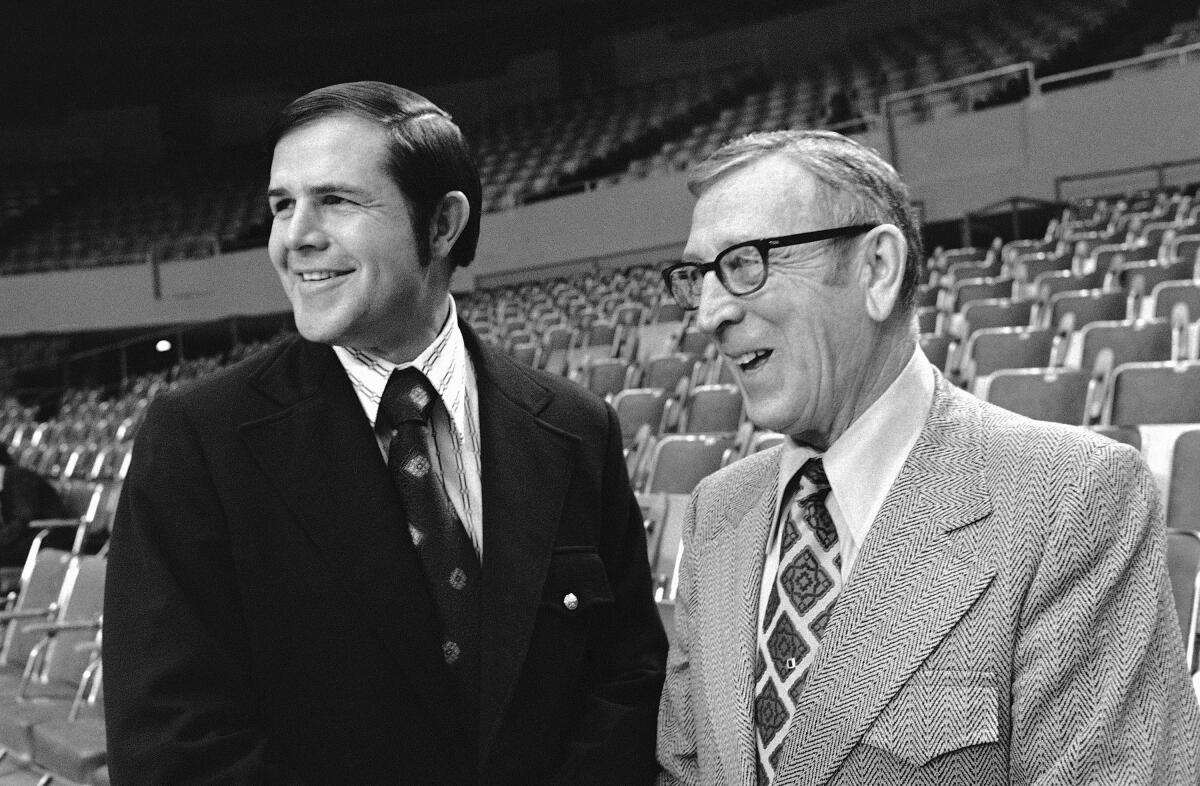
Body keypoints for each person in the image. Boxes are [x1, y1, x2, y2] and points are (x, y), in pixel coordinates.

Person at [105, 81, 667, 785]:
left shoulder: (577, 427)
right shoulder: (197, 441)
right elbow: (174, 744)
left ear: (441, 225)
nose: (294, 237)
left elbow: (624, 681)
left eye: (336, 200)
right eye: (283, 205)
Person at [655, 129, 1200, 784]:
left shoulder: (1073, 497)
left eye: (744, 264)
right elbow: (681, 770)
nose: (710, 313)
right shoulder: (716, 510)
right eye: (697, 277)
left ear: (877, 270)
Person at [0, 444, 67, 570]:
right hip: (26, 536)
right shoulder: (6, 479)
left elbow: (22, 521)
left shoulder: (19, 477)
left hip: (46, 537)